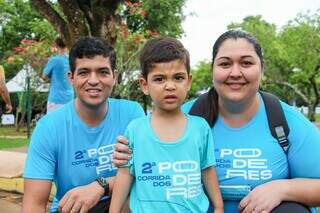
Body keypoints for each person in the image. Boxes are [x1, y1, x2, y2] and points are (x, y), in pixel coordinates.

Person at [112, 30, 320, 213]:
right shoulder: (184, 114)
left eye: (246, 63)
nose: (235, 73)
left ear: (262, 70)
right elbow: (141, 168)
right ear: (213, 70)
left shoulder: (283, 119)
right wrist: (126, 153)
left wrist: (281, 188)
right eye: (225, 64)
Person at [22, 37, 145, 213]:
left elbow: (147, 175)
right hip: (72, 209)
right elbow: (33, 204)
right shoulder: (48, 128)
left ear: (114, 76)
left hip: (120, 205)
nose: (93, 80)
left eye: (103, 72)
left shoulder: (132, 114)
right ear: (71, 78)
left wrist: (100, 185)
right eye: (84, 72)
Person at [109, 37, 223, 213]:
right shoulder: (135, 129)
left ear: (189, 81)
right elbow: (125, 175)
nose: (170, 86)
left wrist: (219, 207)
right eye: (159, 79)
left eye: (178, 78)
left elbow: (207, 170)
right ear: (144, 85)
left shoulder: (200, 128)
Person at [42, 36, 74, 113]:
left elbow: (44, 76)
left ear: (56, 45)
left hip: (55, 99)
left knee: (53, 124)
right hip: (70, 98)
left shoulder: (54, 60)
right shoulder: (72, 60)